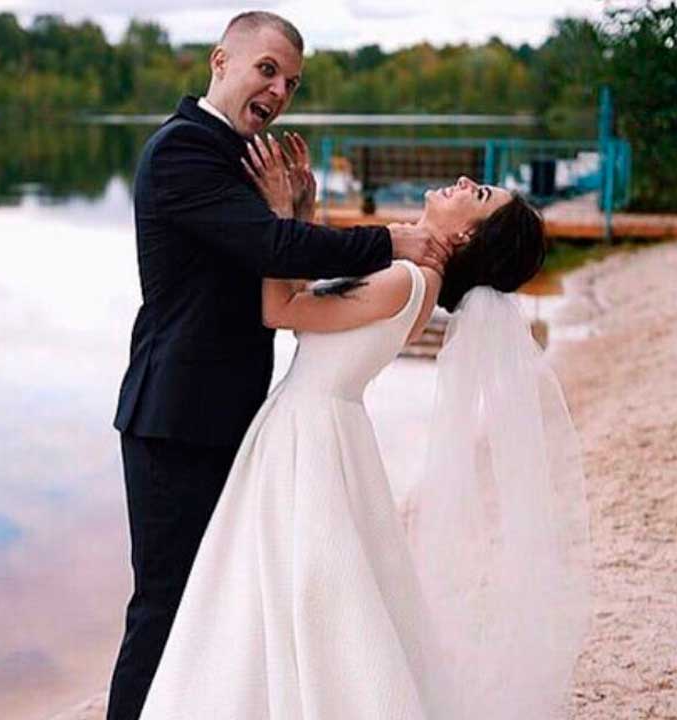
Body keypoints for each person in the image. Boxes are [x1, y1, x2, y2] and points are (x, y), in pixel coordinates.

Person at [135, 144, 593, 718]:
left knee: (295, 588)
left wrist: (276, 216)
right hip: (315, 426)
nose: (462, 180)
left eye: (477, 194)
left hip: (310, 434)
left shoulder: (408, 278)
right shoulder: (414, 275)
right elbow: (305, 304)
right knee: (287, 586)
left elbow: (282, 311)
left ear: (468, 236)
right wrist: (300, 218)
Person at [108, 11, 453, 720]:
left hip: (230, 412)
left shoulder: (237, 155)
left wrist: (294, 209)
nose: (278, 91)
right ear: (220, 62)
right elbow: (274, 249)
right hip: (175, 417)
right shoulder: (183, 151)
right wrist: (392, 240)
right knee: (165, 605)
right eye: (267, 70)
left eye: (291, 83)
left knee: (220, 603)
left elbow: (276, 257)